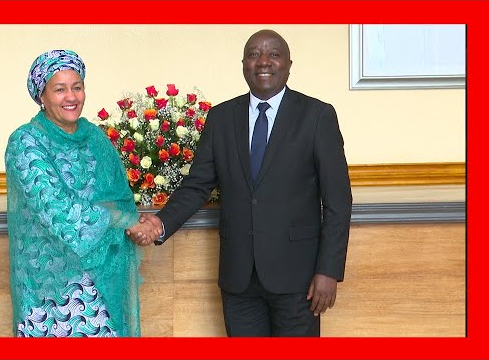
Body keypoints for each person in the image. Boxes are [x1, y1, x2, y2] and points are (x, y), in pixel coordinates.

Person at [130, 29, 353, 337]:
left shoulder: (317, 116)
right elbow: (197, 185)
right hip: (239, 279)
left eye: (273, 54)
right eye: (253, 54)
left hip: (299, 279)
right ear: (243, 64)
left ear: (289, 64)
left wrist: (328, 270)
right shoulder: (222, 117)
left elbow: (338, 202)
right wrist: (160, 223)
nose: (263, 61)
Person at [5, 49, 155, 337]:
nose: (71, 97)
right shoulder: (25, 141)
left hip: (102, 280)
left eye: (77, 87)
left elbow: (117, 197)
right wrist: (127, 222)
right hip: (52, 290)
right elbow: (58, 208)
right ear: (42, 96)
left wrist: (135, 222)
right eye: (59, 89)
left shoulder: (94, 137)